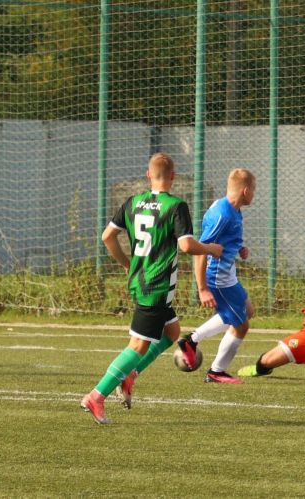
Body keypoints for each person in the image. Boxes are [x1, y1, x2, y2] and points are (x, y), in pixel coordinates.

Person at [80, 152, 223, 424]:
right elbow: (186, 246)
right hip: (156, 287)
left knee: (172, 332)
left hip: (141, 281)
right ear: (173, 176)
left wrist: (126, 263)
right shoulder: (176, 206)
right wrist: (211, 249)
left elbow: (107, 236)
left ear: (148, 175)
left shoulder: (133, 202)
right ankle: (96, 396)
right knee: (138, 346)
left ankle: (130, 375)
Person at [177, 168, 256, 384]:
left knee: (247, 311)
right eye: (254, 189)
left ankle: (191, 340)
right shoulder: (222, 214)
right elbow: (200, 249)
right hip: (218, 278)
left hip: (228, 273)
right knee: (241, 325)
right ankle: (216, 371)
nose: (254, 194)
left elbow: (225, 239)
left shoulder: (233, 209)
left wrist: (239, 248)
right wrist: (202, 288)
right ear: (246, 190)